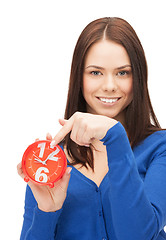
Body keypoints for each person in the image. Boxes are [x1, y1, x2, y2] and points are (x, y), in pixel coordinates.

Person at [17, 17, 166, 240]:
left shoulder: (159, 148)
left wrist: (115, 136)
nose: (109, 86)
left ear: (139, 76)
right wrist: (47, 211)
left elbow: (139, 235)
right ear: (79, 77)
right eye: (95, 72)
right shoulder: (48, 161)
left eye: (123, 72)